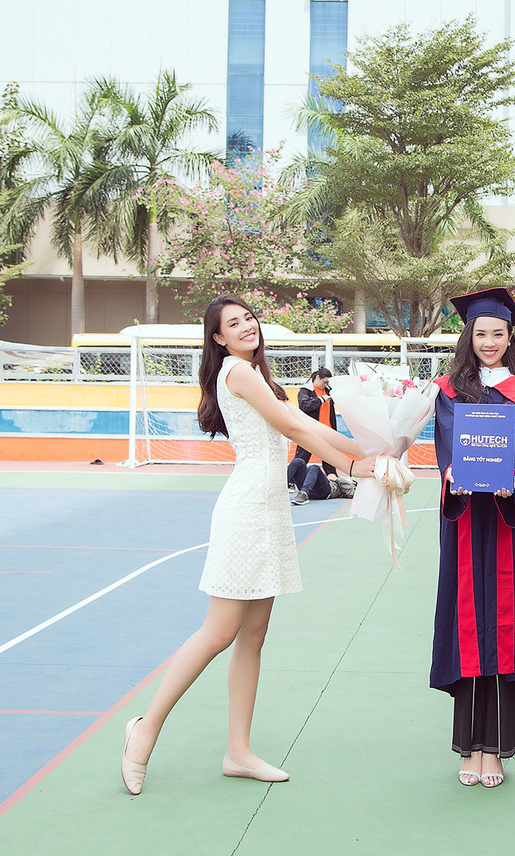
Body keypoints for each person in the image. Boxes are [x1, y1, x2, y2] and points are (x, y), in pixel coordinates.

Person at [119, 294, 372, 795]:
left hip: (270, 511)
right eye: (233, 323)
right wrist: (354, 464)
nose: (246, 326)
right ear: (218, 338)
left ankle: (238, 752)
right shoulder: (236, 371)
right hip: (245, 510)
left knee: (253, 636)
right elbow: (292, 426)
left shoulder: (258, 376)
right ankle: (144, 728)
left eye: (249, 318)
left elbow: (308, 427)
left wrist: (375, 451)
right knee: (218, 633)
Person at [430, 287, 515, 790]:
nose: (489, 342)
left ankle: (495, 748)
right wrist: (452, 473)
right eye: (480, 333)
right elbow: (445, 448)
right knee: (467, 620)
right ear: (469, 336)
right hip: (462, 518)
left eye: (498, 333)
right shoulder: (448, 390)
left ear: (510, 337)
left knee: (500, 620)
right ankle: (470, 746)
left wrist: (511, 480)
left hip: (504, 517)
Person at [293, 367, 355, 498]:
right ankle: (292, 481)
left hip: (328, 431)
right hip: (310, 431)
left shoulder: (328, 390)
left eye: (328, 383)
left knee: (330, 458)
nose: (325, 385)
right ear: (317, 378)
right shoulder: (306, 391)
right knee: (302, 458)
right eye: (324, 382)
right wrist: (321, 400)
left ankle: (333, 479)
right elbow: (304, 406)